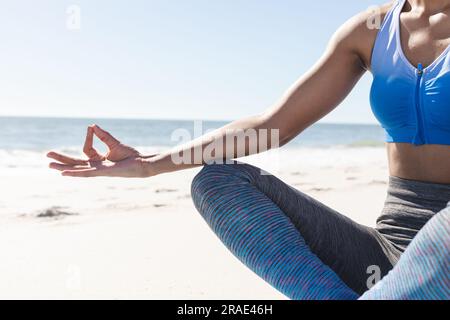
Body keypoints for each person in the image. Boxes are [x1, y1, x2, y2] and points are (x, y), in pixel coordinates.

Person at [48, 0, 450, 299]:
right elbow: (270, 126)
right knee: (218, 181)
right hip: (386, 252)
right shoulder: (371, 29)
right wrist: (147, 165)